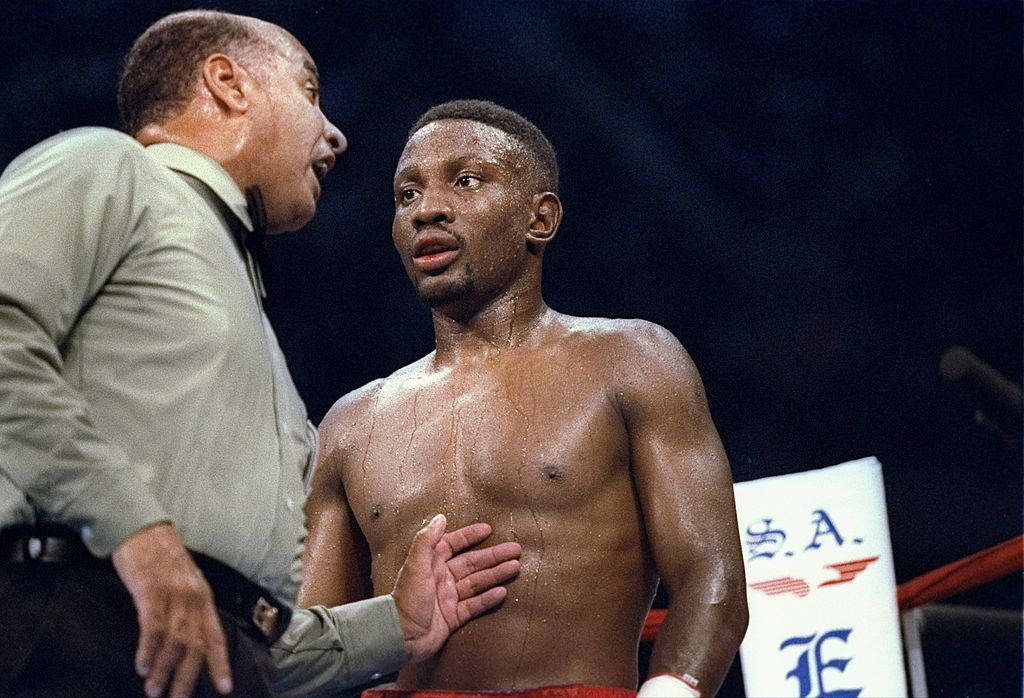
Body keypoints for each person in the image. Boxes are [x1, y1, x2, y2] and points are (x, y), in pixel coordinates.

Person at [0, 14, 521, 698]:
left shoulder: (240, 299)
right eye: (309, 90)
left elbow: (231, 634)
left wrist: (397, 626)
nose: (333, 133)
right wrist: (142, 537)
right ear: (226, 83)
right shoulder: (107, 165)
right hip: (67, 625)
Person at [300, 99, 748, 697]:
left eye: (465, 181)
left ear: (539, 219)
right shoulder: (350, 424)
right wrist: (384, 630)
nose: (427, 209)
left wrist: (672, 691)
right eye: (406, 194)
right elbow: (301, 652)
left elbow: (710, 577)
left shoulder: (631, 360)